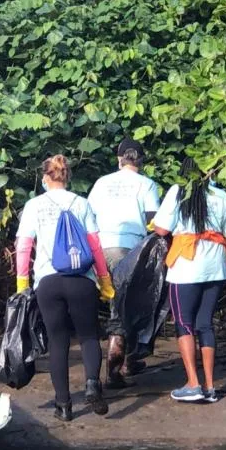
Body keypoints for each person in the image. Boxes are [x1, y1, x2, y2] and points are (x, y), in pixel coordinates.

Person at [15, 155, 115, 421]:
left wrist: (22, 282)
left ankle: (64, 406)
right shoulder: (82, 203)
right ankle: (92, 383)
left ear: (46, 177)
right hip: (82, 280)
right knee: (88, 336)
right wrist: (104, 279)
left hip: (48, 281)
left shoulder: (34, 205)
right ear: (67, 176)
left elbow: (24, 246)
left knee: (58, 341)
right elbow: (94, 245)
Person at [153, 157, 226, 403]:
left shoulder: (178, 192)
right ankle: (210, 386)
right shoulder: (221, 196)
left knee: (184, 323)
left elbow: (161, 228)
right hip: (215, 269)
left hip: (186, 269)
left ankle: (193, 383)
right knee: (205, 324)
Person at [87, 137, 161, 388]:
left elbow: (89, 216)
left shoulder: (101, 183)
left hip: (98, 249)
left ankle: (125, 362)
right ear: (140, 160)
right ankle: (116, 371)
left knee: (113, 306)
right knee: (126, 308)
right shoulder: (147, 184)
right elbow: (153, 222)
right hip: (129, 251)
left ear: (119, 159)